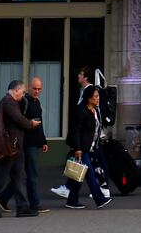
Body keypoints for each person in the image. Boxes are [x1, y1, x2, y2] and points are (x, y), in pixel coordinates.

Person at [0, 80, 41, 219]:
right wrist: (31, 124)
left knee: (20, 177)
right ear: (16, 90)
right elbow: (18, 119)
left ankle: (22, 207)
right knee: (0, 178)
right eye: (23, 92)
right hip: (9, 146)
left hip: (15, 146)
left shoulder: (12, 102)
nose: (23, 95)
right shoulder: (8, 101)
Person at [52, 67, 107, 199]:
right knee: (82, 167)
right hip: (86, 142)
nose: (78, 76)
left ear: (86, 77)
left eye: (81, 74)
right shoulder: (84, 95)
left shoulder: (89, 93)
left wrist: (78, 146)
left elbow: (84, 124)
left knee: (87, 168)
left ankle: (101, 190)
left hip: (87, 141)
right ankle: (74, 194)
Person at [65, 86, 111, 210]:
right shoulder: (82, 111)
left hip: (92, 147)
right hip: (82, 149)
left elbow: (96, 129)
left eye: (97, 96)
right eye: (95, 96)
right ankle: (99, 199)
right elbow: (76, 131)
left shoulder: (96, 111)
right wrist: (77, 148)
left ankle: (72, 200)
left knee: (79, 175)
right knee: (90, 175)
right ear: (89, 98)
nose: (97, 98)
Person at [21, 77, 50, 213]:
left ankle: (3, 198)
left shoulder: (37, 102)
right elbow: (19, 120)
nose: (37, 91)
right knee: (32, 173)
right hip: (27, 142)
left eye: (39, 89)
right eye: (34, 88)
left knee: (27, 173)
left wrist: (43, 141)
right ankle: (34, 203)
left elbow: (40, 123)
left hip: (35, 141)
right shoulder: (24, 101)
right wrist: (29, 124)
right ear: (28, 87)